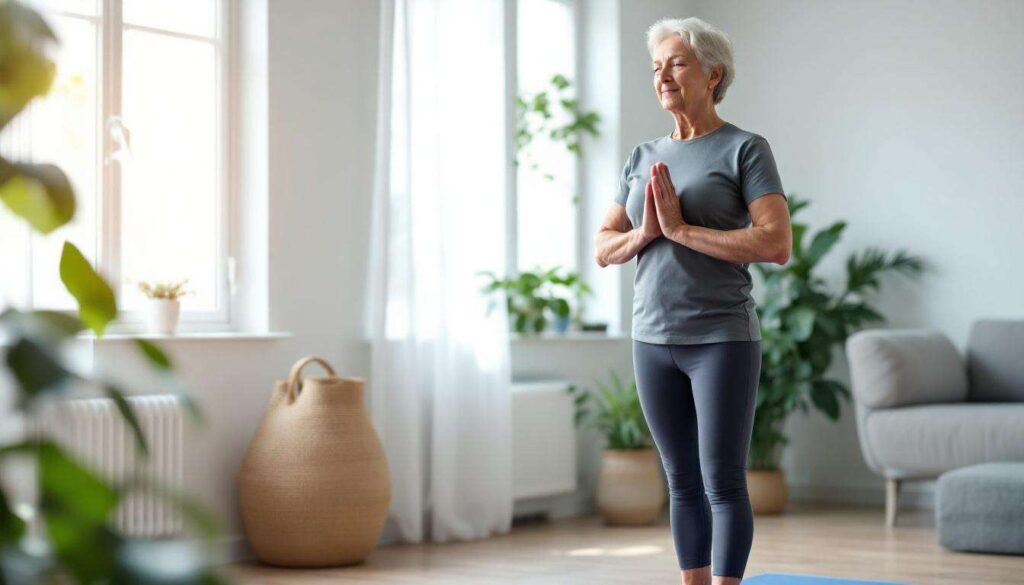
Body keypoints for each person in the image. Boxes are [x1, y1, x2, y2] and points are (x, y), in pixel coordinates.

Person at [593, 16, 793, 585]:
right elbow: (603, 245)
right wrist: (646, 234)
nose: (663, 76)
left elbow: (776, 243)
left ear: (713, 74)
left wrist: (681, 231)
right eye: (657, 67)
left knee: (722, 482)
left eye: (676, 63)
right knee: (679, 482)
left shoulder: (745, 149)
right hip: (651, 338)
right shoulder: (641, 154)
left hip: (721, 339)